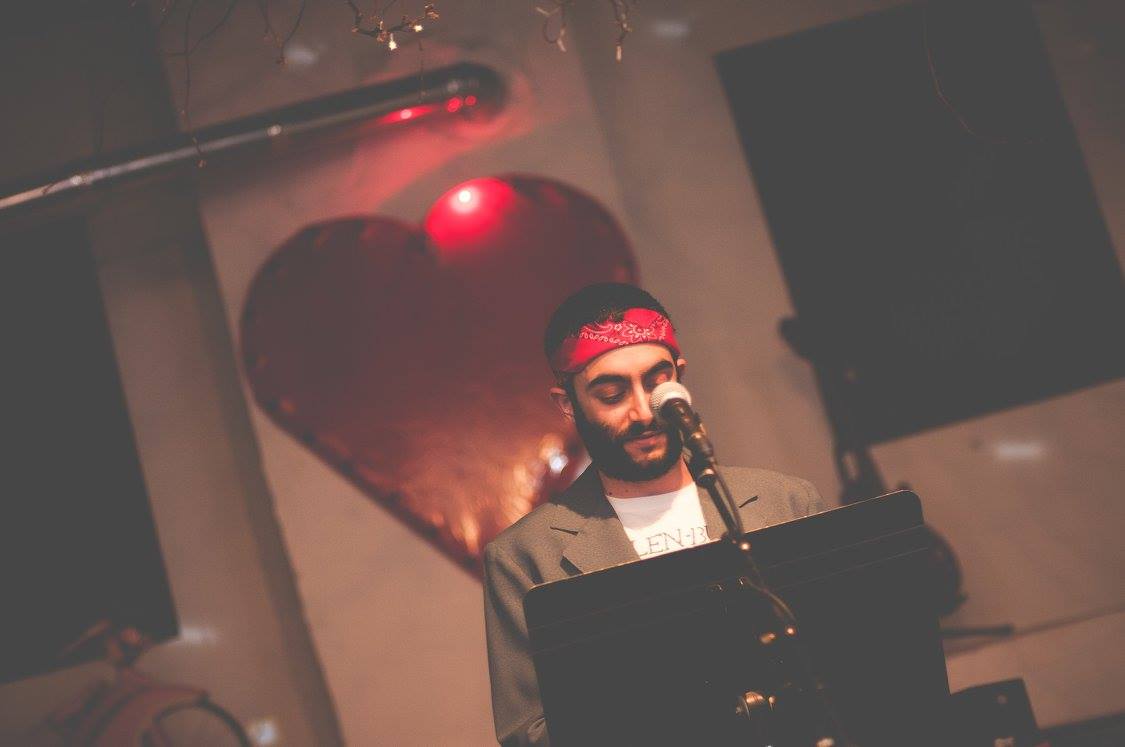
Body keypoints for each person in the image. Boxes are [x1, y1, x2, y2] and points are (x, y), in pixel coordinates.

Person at [482, 283, 826, 746]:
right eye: (611, 394)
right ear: (568, 404)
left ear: (680, 376)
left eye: (658, 382)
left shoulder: (787, 501)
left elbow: (847, 660)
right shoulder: (524, 557)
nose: (644, 412)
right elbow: (532, 734)